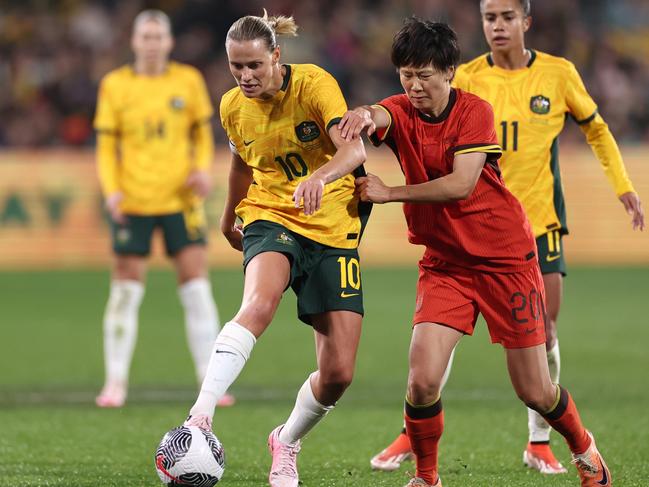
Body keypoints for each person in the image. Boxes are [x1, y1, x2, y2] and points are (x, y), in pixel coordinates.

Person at [326, 17, 611, 487]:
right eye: (406, 74)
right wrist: (360, 113)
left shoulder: (475, 111)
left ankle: (585, 450)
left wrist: (390, 193)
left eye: (424, 75)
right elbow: (380, 114)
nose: (414, 86)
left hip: (505, 261)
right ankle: (427, 478)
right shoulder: (402, 108)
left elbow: (461, 185)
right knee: (421, 383)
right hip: (446, 266)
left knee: (535, 391)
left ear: (450, 72)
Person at [182, 10, 370, 487]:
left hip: (333, 227)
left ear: (276, 57)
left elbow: (354, 152)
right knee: (258, 303)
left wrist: (320, 177)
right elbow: (242, 165)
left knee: (339, 375)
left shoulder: (314, 85)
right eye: (236, 67)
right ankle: (199, 418)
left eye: (254, 66)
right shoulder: (230, 106)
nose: (245, 77)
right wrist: (228, 217)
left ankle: (285, 440)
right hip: (271, 216)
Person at [94, 10, 234, 408]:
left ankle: (210, 382)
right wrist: (112, 191)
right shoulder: (115, 85)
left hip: (180, 200)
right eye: (146, 36)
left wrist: (202, 171)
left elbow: (201, 133)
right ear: (134, 41)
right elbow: (106, 146)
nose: (152, 43)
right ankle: (115, 382)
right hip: (134, 199)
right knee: (125, 291)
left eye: (159, 36)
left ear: (169, 42)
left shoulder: (186, 80)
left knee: (195, 287)